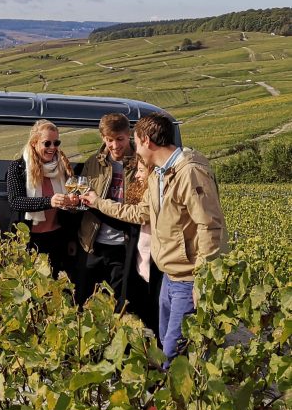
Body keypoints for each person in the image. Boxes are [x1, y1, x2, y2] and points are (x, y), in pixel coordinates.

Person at [81, 112, 227, 365]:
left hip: (189, 279)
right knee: (164, 346)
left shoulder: (189, 172)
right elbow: (140, 213)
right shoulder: (160, 174)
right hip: (169, 277)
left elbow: (210, 227)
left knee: (173, 352)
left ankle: (174, 402)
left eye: (134, 141)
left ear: (146, 140)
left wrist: (203, 281)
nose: (133, 148)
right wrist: (98, 204)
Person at [76, 113, 137, 307]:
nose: (115, 145)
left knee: (120, 303)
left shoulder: (142, 164)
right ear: (103, 138)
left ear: (129, 135)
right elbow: (81, 199)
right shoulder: (93, 163)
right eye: (109, 140)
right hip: (92, 243)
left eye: (120, 139)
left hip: (123, 245)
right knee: (85, 300)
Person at [6, 120, 79, 278]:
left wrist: (72, 202)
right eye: (47, 143)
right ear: (34, 143)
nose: (52, 148)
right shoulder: (18, 168)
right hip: (28, 240)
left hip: (57, 238)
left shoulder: (62, 167)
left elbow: (70, 207)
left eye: (56, 142)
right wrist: (49, 201)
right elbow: (16, 201)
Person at [123, 157, 161, 335]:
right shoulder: (138, 196)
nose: (136, 175)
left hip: (156, 273)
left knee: (157, 322)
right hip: (139, 271)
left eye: (141, 171)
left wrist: (98, 203)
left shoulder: (159, 201)